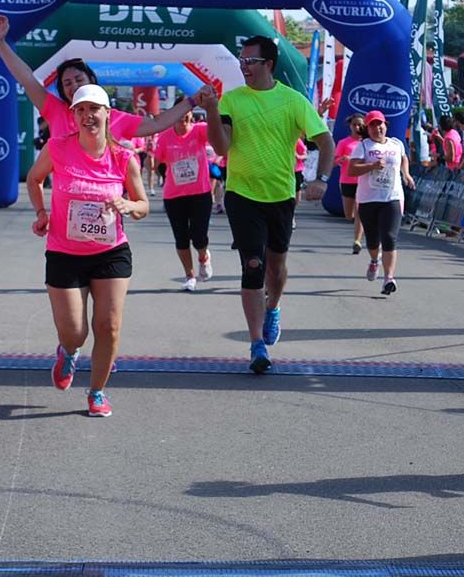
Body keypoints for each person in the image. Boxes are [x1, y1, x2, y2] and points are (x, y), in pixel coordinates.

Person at [196, 35, 334, 374]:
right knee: (254, 265)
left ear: (268, 64)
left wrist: (322, 180)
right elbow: (222, 146)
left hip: (281, 196)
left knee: (276, 267)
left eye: (249, 62)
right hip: (242, 194)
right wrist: (213, 111)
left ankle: (273, 309)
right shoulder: (233, 100)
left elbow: (325, 141)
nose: (243, 67)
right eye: (241, 61)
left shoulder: (293, 101)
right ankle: (257, 343)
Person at [25, 84, 150, 417]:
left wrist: (127, 204)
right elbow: (34, 179)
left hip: (110, 252)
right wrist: (42, 213)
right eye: (80, 110)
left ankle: (97, 391)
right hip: (65, 252)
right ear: (73, 116)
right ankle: (68, 352)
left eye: (94, 109)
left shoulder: (124, 157)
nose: (87, 116)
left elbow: (143, 205)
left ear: (108, 114)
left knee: (108, 325)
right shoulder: (58, 148)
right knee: (75, 332)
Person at [0, 15, 195, 147]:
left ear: (92, 80)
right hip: (66, 210)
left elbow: (157, 123)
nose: (74, 86)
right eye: (67, 83)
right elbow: (26, 77)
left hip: (107, 208)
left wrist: (192, 102)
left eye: (79, 79)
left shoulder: (112, 117)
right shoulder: (55, 110)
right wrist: (0, 44)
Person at [347, 111, 416, 295]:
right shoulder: (363, 146)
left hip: (392, 197)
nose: (378, 128)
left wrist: (406, 174)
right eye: (373, 125)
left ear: (386, 125)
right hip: (368, 199)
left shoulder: (396, 144)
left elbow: (403, 158)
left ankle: (388, 279)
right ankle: (374, 261)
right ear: (367, 128)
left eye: (380, 124)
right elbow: (351, 170)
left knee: (389, 237)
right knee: (372, 241)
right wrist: (372, 166)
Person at [154, 99, 215, 291]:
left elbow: (217, 134)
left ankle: (203, 257)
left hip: (200, 193)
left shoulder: (200, 130)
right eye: (180, 113)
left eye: (188, 112)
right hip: (174, 195)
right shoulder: (164, 137)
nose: (184, 117)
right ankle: (190, 275)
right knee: (181, 238)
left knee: (199, 236)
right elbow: (157, 164)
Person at [334, 113, 368, 254]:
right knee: (349, 215)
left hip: (363, 181)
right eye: (354, 124)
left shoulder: (366, 143)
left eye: (360, 124)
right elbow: (334, 161)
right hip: (347, 180)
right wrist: (342, 159)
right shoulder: (344, 143)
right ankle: (356, 225)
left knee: (360, 211)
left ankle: (357, 241)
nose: (357, 127)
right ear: (350, 126)